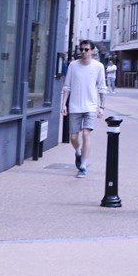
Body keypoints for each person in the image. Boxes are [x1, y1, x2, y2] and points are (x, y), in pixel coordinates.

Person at [60, 39, 107, 178]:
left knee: (86, 134)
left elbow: (102, 88)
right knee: (73, 137)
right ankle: (78, 152)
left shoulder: (98, 67)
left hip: (90, 106)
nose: (83, 52)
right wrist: (63, 104)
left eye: (86, 49)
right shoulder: (73, 66)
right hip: (74, 106)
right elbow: (67, 86)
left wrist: (102, 106)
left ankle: (83, 166)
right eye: (82, 49)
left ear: (92, 51)